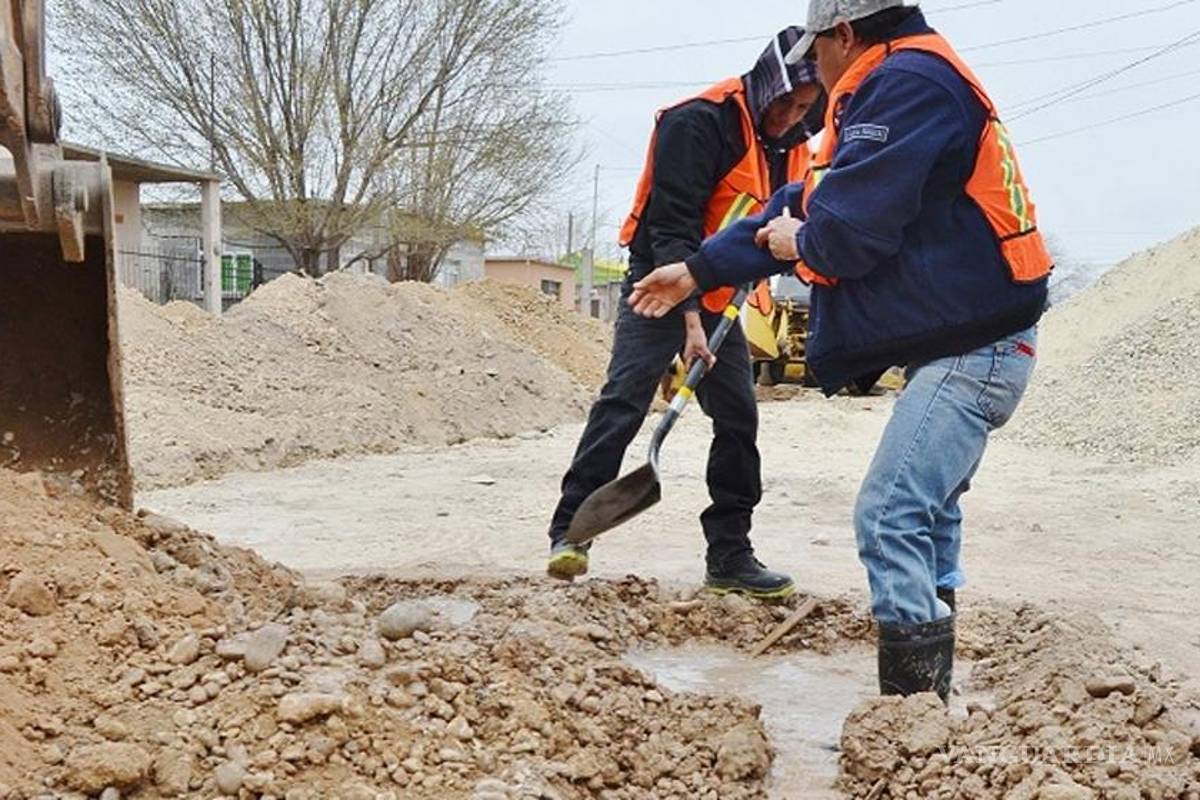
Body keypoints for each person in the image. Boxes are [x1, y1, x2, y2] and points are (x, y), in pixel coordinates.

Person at [628, 0, 1051, 699]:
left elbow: (842, 235)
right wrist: (701, 270)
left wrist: (803, 244)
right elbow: (806, 195)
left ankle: (911, 715)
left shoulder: (907, 83)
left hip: (980, 347)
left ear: (845, 34)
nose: (814, 78)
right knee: (930, 511)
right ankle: (932, 697)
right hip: (972, 337)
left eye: (815, 57)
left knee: (889, 514)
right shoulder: (906, 80)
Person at [545, 27, 826, 599]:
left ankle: (730, 555)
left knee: (739, 419)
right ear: (767, 83)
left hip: (721, 293)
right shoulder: (698, 123)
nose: (790, 116)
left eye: (804, 107)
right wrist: (692, 323)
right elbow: (671, 226)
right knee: (624, 401)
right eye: (785, 102)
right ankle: (570, 533)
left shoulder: (794, 142)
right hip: (658, 284)